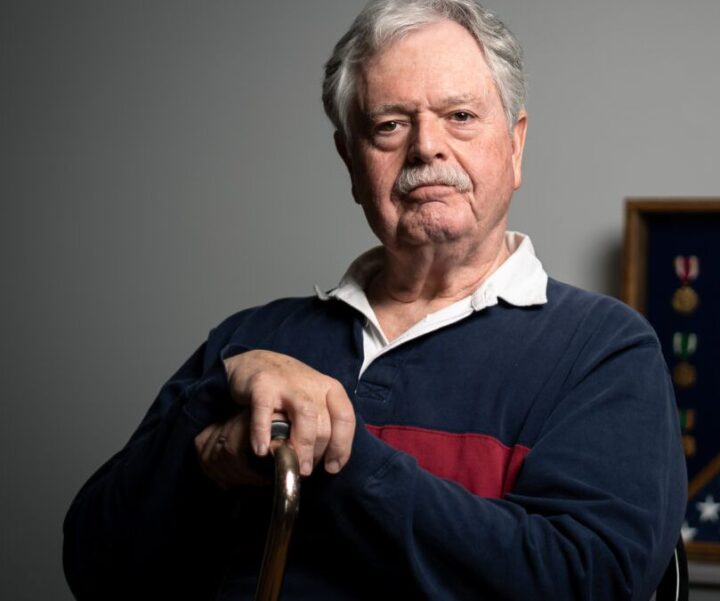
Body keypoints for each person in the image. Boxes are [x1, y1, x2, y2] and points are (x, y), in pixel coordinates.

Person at [63, 1, 686, 598]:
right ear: (351, 160)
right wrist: (212, 420)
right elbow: (96, 567)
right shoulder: (247, 345)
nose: (426, 148)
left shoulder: (604, 349)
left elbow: (589, 582)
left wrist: (340, 456)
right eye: (389, 124)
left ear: (515, 145)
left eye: (460, 117)